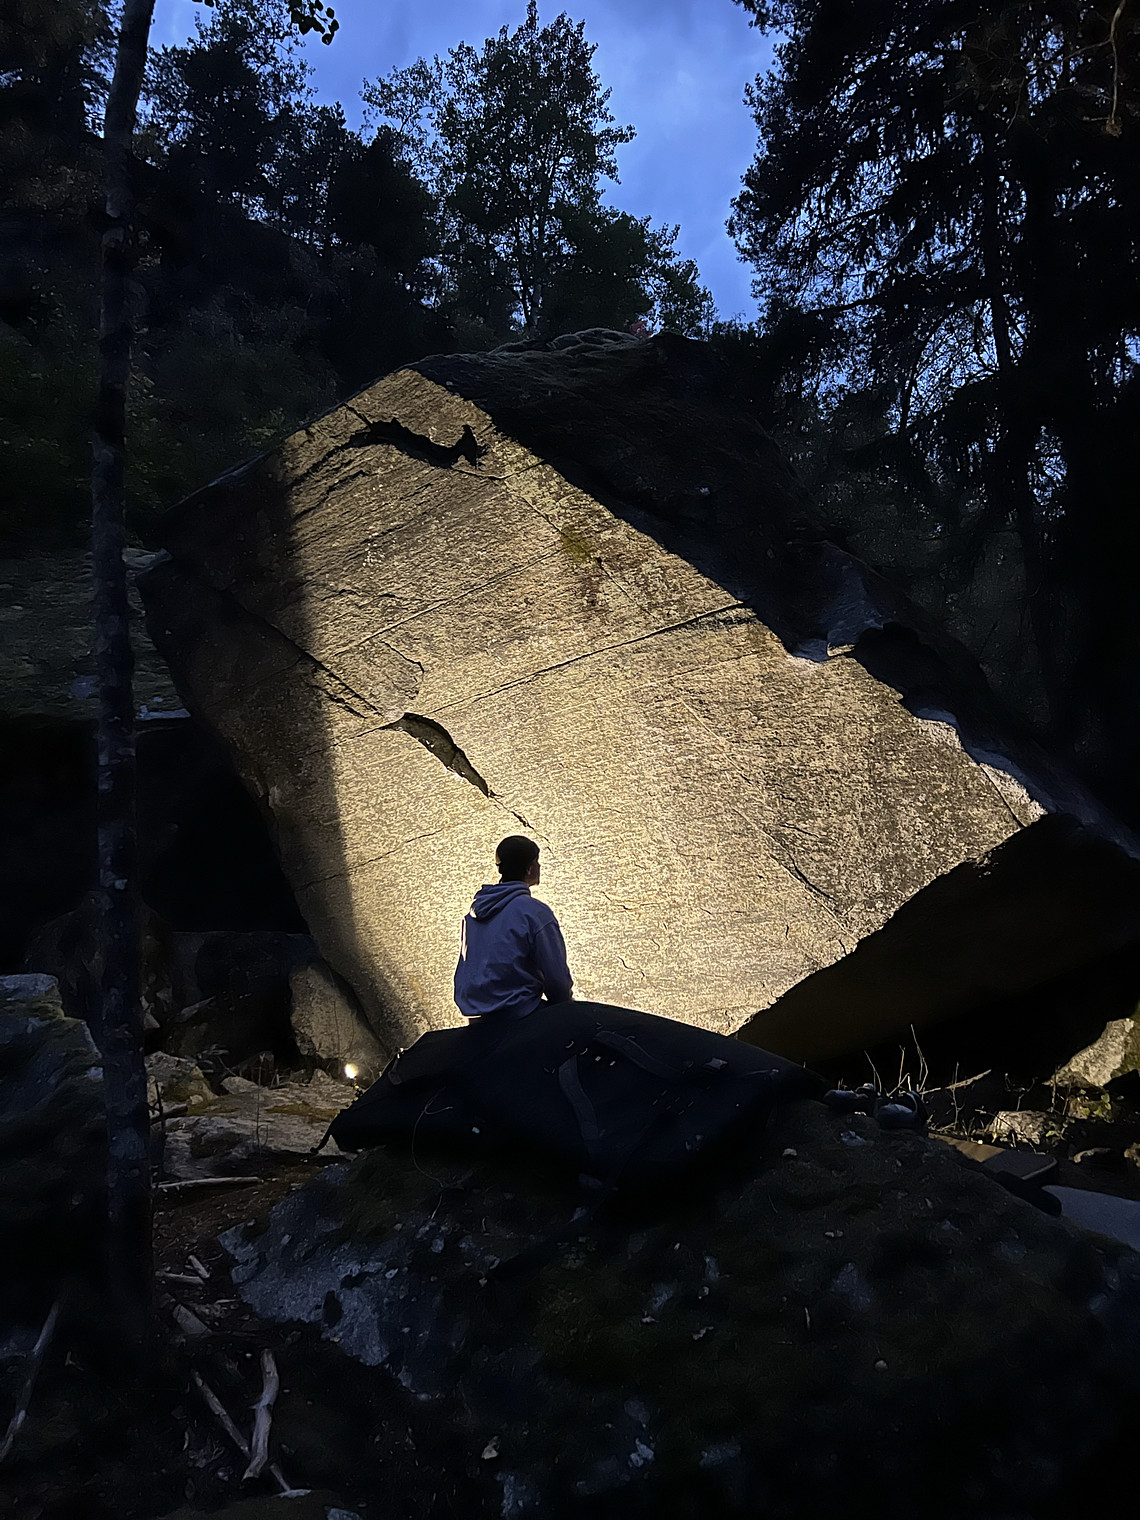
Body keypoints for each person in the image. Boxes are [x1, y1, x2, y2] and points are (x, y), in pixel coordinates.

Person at [454, 835, 573, 1021]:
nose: (540, 866)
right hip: (521, 1013)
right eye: (537, 861)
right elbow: (558, 983)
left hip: (478, 1018)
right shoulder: (534, 912)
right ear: (529, 868)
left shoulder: (472, 916)